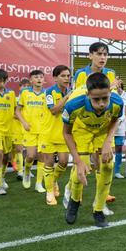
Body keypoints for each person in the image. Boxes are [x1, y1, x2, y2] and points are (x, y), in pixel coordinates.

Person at [62, 72, 124, 228]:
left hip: (103, 131)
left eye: (105, 98)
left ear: (110, 92)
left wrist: (107, 142)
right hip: (81, 130)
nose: (102, 103)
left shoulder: (117, 101)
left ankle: (98, 210)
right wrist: (77, 160)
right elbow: (66, 132)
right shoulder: (73, 104)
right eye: (96, 99)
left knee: (108, 167)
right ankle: (74, 201)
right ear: (87, 94)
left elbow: (115, 120)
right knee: (80, 171)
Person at [42, 65, 74, 205]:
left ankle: (53, 181)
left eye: (68, 76)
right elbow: (54, 110)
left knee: (63, 162)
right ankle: (49, 192)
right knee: (49, 162)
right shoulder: (49, 92)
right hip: (48, 133)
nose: (66, 78)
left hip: (64, 133)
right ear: (55, 78)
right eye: (63, 75)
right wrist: (67, 97)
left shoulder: (71, 92)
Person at [16, 70, 49, 191]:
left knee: (42, 156)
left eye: (41, 77)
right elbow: (17, 110)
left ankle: (39, 183)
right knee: (30, 156)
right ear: (31, 80)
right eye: (36, 77)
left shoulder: (47, 93)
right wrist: (24, 122)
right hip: (29, 129)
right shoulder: (25, 93)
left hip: (43, 129)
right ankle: (27, 171)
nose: (39, 79)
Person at [113, 80, 126, 180]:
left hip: (121, 126)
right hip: (109, 126)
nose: (117, 87)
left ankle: (117, 171)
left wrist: (120, 120)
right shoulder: (110, 94)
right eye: (116, 85)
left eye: (119, 85)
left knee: (119, 148)